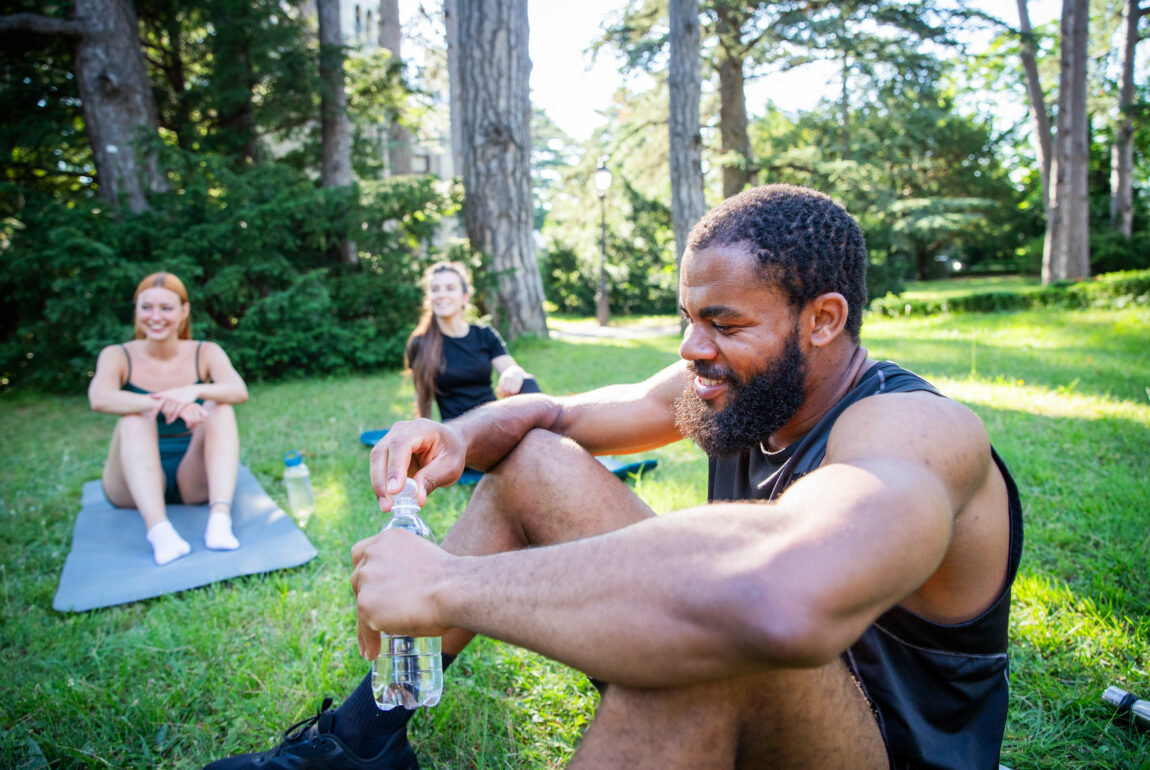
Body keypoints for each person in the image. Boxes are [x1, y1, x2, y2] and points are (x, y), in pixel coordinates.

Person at [205, 185, 1022, 769]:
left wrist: (447, 587)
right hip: (780, 679)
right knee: (535, 463)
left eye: (724, 322)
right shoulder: (741, 384)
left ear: (824, 319)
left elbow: (774, 601)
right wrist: (456, 434)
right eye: (688, 319)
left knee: (715, 642)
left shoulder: (917, 431)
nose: (692, 349)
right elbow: (557, 418)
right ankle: (362, 739)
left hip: (874, 747)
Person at [88, 272, 249, 566]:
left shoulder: (206, 352)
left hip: (192, 475)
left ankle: (219, 520)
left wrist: (193, 390)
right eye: (146, 307)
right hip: (130, 482)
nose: (155, 317)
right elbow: (99, 398)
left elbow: (239, 391)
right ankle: (159, 531)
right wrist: (164, 403)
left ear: (184, 311)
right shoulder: (117, 355)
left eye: (166, 308)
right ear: (136, 310)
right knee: (134, 419)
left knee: (221, 407)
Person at [405, 261, 539, 422]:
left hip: (492, 418)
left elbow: (511, 369)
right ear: (429, 297)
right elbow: (422, 400)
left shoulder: (484, 334)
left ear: (465, 297)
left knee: (527, 381)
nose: (441, 294)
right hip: (456, 428)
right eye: (435, 289)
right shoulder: (420, 343)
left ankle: (550, 430)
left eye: (450, 288)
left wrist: (514, 373)